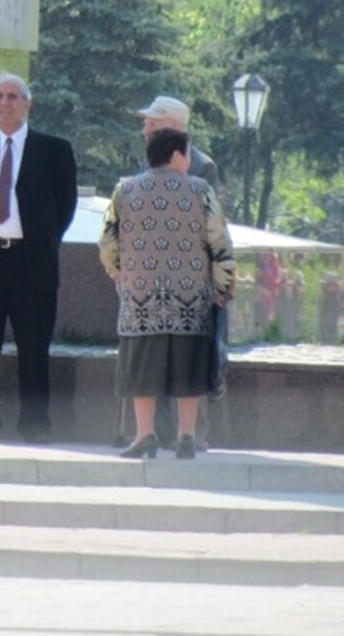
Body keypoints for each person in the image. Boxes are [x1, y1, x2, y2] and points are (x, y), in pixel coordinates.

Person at [0, 73, 78, 445]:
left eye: (12, 97)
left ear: (27, 104)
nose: (5, 103)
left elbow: (66, 205)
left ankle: (36, 427)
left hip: (31, 262)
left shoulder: (53, 150)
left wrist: (44, 241)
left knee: (34, 346)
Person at [100, 127, 236, 460]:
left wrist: (121, 273)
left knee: (141, 369)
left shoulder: (125, 190)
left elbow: (106, 241)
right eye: (187, 154)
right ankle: (186, 436)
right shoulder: (200, 190)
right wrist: (221, 287)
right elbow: (219, 242)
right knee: (187, 367)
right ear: (176, 155)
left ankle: (145, 434)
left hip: (140, 299)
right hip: (190, 299)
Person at [134, 96, 222, 451]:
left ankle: (191, 434)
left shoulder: (202, 167)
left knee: (188, 357)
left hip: (188, 278)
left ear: (172, 126)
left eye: (152, 124)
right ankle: (154, 431)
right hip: (149, 276)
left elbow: (209, 224)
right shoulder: (144, 162)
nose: (145, 129)